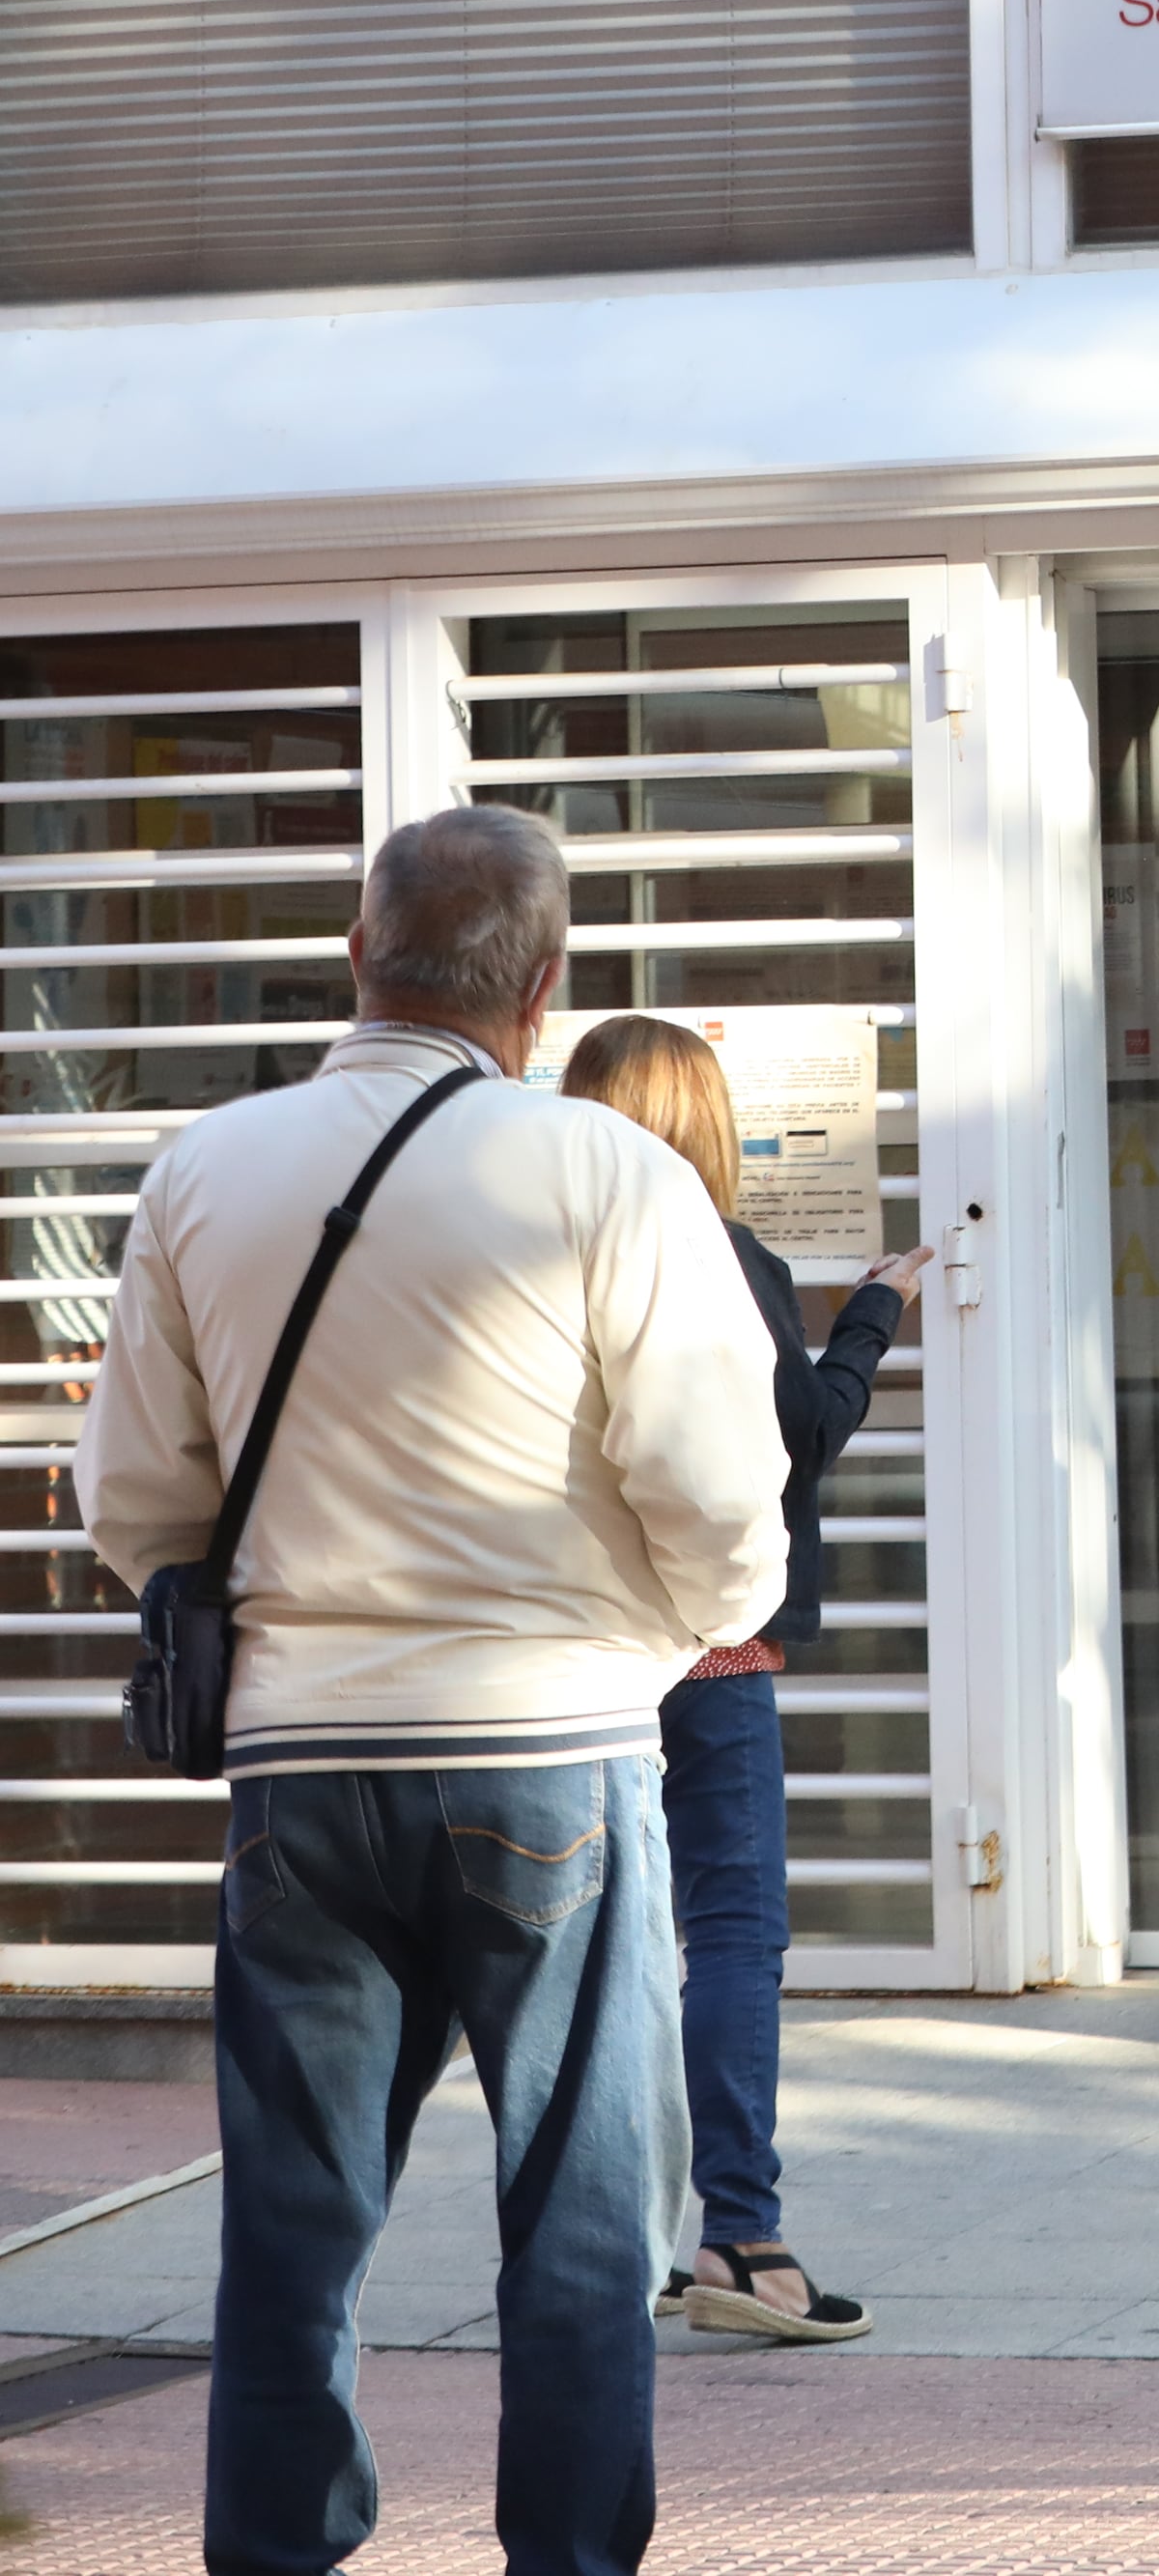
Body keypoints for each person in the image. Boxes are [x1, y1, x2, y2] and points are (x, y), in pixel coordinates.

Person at [76, 805, 789, 2576]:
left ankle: (281, 2553)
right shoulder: (610, 1174)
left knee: (292, 2230)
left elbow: (135, 1502)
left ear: (355, 954)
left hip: (303, 1762)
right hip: (551, 1747)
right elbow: (714, 1486)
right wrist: (693, 1622)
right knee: (580, 2217)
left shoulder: (205, 1167)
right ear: (540, 989)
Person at [553, 1014, 935, 2348]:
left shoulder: (544, 1260)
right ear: (708, 1127)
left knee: (592, 1946)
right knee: (731, 1926)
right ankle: (742, 2234)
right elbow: (804, 1437)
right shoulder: (726, 1259)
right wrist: (875, 1314)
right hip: (712, 1646)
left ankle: (597, 2238)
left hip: (577, 1652)